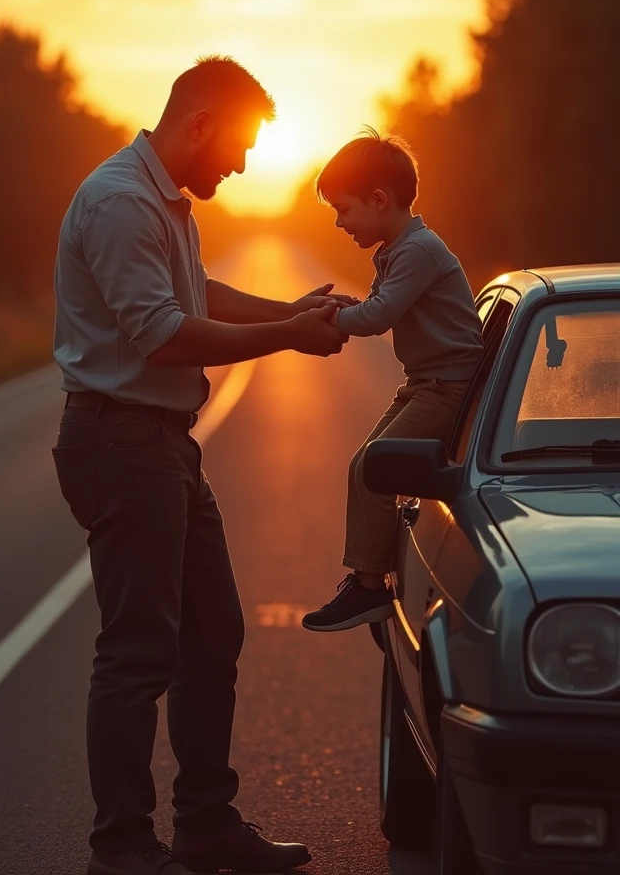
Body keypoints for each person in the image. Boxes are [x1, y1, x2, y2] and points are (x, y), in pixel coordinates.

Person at [51, 56, 348, 875]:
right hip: (121, 443)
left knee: (211, 634)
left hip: (163, 443)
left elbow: (198, 294)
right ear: (200, 124)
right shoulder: (118, 202)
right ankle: (121, 849)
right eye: (240, 147)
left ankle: (206, 825)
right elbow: (166, 334)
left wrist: (290, 308)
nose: (241, 165)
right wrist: (288, 337)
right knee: (138, 651)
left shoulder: (166, 202)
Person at [302, 128, 483, 633]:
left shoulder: (418, 250)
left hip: (448, 386)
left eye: (343, 209)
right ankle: (366, 583)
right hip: (425, 381)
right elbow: (376, 306)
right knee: (366, 464)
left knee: (376, 468)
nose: (339, 222)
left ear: (379, 200)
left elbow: (380, 316)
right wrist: (339, 308)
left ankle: (368, 587)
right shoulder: (397, 248)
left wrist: (326, 323)